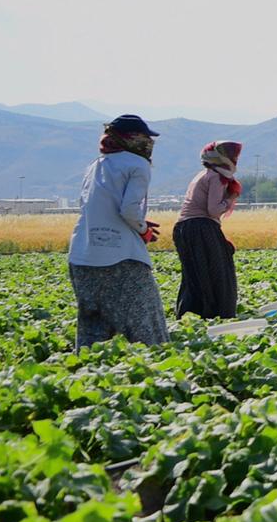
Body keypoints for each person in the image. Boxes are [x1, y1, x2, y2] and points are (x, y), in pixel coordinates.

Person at [66, 115, 169, 349]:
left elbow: (97, 207)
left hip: (82, 257)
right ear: (131, 138)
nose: (148, 143)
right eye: (144, 137)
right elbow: (129, 210)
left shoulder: (95, 165)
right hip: (120, 258)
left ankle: (88, 370)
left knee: (93, 332)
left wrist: (135, 222)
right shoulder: (138, 164)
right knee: (148, 329)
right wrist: (143, 230)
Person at [173, 141, 243, 319]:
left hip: (186, 228)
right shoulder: (216, 177)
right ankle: (218, 315)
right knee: (219, 274)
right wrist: (230, 198)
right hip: (201, 227)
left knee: (195, 276)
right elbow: (213, 209)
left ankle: (190, 316)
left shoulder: (204, 174)